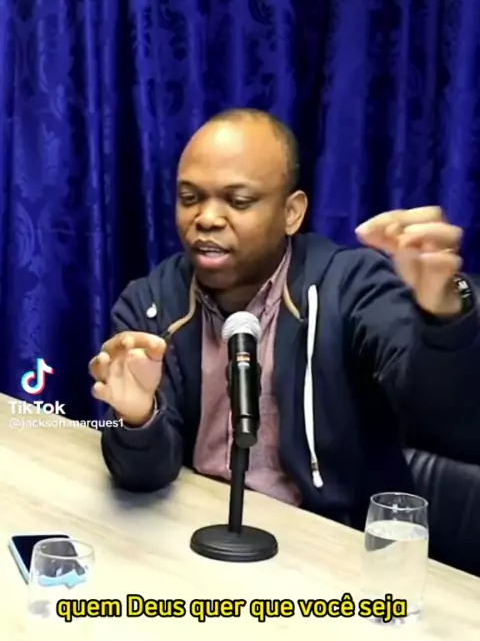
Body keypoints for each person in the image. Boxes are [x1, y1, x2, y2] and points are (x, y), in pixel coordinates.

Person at [89, 108, 480, 530]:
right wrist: (139, 419)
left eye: (238, 201)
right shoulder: (150, 303)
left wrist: (444, 316)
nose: (206, 218)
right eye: (189, 198)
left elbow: (447, 419)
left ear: (291, 213)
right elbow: (143, 477)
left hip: (326, 544)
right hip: (195, 529)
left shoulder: (350, 285)